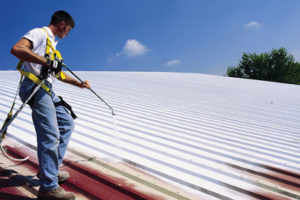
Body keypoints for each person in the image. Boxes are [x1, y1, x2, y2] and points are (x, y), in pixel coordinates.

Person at [11, 10, 90, 200]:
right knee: (51, 134)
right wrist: (45, 61)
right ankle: (48, 188)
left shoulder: (53, 46)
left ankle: (50, 171)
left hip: (47, 90)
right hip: (35, 87)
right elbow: (17, 49)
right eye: (68, 30)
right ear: (63, 24)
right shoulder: (40, 33)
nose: (67, 34)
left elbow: (58, 73)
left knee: (66, 124)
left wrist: (78, 84)